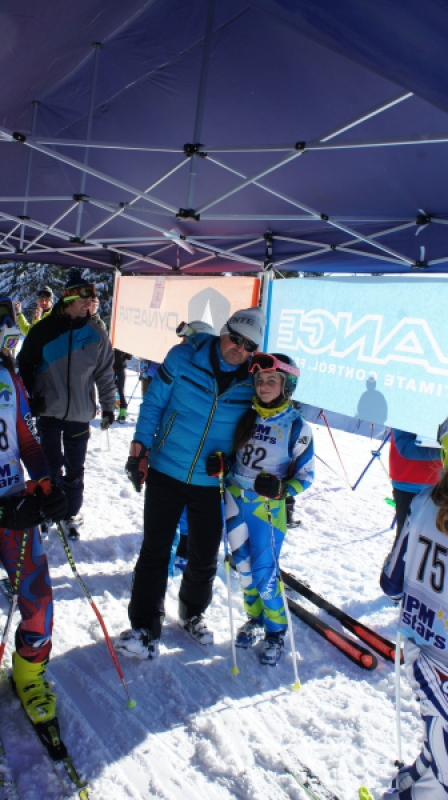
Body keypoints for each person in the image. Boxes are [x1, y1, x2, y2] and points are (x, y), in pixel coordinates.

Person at [117, 306, 265, 659]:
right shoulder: (184, 357)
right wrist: (139, 451)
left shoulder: (252, 380)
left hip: (211, 480)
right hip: (166, 468)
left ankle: (192, 613)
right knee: (156, 549)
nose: (240, 348)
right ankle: (144, 627)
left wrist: (231, 462)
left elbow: (256, 430)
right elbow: (153, 405)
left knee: (204, 554)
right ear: (224, 331)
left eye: (249, 345)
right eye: (236, 338)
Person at [211, 352, 314, 665]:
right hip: (235, 500)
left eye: (271, 380)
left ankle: (276, 631)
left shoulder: (297, 426)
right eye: (259, 380)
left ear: (286, 386)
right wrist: (222, 465)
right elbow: (235, 459)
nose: (264, 386)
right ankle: (255, 619)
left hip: (266, 510)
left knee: (264, 572)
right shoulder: (247, 416)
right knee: (243, 570)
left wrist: (283, 490)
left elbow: (306, 477)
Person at [0, 298, 67, 746]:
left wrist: (45, 483)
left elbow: (26, 438)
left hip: (13, 506)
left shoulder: (8, 377)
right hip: (5, 508)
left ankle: (29, 673)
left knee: (38, 598)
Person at [17, 269, 116, 540]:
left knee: (75, 468)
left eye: (92, 300)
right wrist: (31, 396)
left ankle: (71, 512)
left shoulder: (96, 332)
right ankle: (48, 510)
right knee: (50, 466)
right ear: (70, 300)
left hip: (80, 414)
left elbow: (105, 373)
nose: (90, 304)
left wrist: (109, 406)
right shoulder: (44, 330)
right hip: (48, 410)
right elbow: (25, 362)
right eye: (85, 300)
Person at [380, 446, 448, 799]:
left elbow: (391, 582)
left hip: (421, 653)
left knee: (438, 745)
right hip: (437, 668)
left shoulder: (423, 501)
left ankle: (413, 780)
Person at [389, 429, 441, 541]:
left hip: (440, 482)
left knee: (438, 540)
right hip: (410, 481)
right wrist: (443, 452)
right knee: (406, 540)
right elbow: (406, 447)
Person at [114, 349, 132, 423]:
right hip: (120, 369)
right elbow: (129, 357)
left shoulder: (110, 344)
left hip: (111, 369)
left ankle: (109, 415)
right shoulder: (123, 344)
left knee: (110, 392)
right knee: (120, 392)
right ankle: (122, 415)